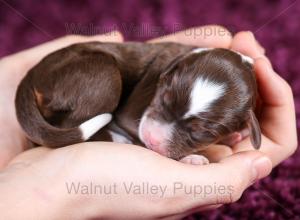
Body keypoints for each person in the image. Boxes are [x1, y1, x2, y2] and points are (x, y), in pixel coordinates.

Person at [0, 26, 297, 219]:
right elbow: (132, 118)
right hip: (68, 80)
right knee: (105, 82)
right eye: (164, 104)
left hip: (68, 90)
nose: (156, 135)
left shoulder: (227, 110)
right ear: (171, 72)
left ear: (244, 128)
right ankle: (79, 129)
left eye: (194, 132)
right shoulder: (171, 64)